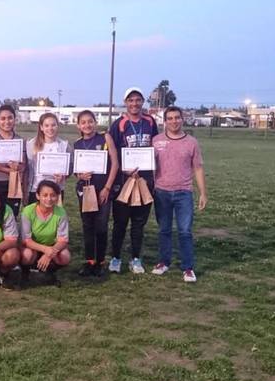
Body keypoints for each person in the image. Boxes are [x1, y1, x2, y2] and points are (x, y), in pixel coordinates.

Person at [151, 106, 207, 282]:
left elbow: (197, 168)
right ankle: (164, 262)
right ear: (165, 121)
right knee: (164, 230)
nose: (174, 121)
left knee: (185, 231)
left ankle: (188, 268)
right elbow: (148, 164)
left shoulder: (191, 142)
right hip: (161, 192)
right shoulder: (156, 140)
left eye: (177, 118)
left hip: (184, 193)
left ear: (182, 119)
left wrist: (203, 193)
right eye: (170, 118)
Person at [108, 87, 159, 274]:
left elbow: (155, 146)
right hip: (124, 180)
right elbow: (111, 152)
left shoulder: (150, 121)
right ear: (125, 102)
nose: (134, 103)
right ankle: (115, 258)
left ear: (143, 101)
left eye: (138, 99)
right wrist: (123, 168)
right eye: (130, 100)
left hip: (145, 180)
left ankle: (135, 259)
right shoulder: (119, 124)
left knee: (138, 223)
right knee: (120, 223)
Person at [73, 110, 119, 277]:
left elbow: (115, 164)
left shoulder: (104, 138)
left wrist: (107, 188)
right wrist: (80, 175)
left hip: (102, 190)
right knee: (88, 225)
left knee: (101, 226)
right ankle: (89, 261)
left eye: (90, 121)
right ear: (78, 125)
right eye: (83, 122)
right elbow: (75, 170)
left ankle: (100, 261)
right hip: (85, 190)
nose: (87, 125)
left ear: (95, 122)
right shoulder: (77, 144)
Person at [19, 180, 71, 287]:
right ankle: (25, 272)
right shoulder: (28, 211)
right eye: (45, 195)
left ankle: (49, 272)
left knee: (65, 256)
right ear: (38, 196)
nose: (49, 199)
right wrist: (45, 250)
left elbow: (63, 240)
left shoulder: (61, 212)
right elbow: (26, 240)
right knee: (27, 255)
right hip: (32, 246)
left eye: (53, 195)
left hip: (51, 246)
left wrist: (49, 254)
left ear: (57, 197)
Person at [0, 104, 26, 218]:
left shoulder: (20, 139)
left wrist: (18, 167)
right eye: (3, 118)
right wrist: (7, 169)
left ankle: (10, 236)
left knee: (12, 215)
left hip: (13, 183)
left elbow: (23, 165)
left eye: (10, 118)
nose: (7, 121)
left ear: (14, 119)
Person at [26, 113, 70, 203]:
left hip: (56, 189)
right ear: (41, 127)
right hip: (35, 189)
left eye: (53, 125)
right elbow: (27, 168)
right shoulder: (31, 144)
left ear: (57, 126)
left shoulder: (64, 145)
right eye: (46, 125)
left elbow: (69, 169)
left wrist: (63, 176)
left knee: (54, 216)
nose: (50, 128)